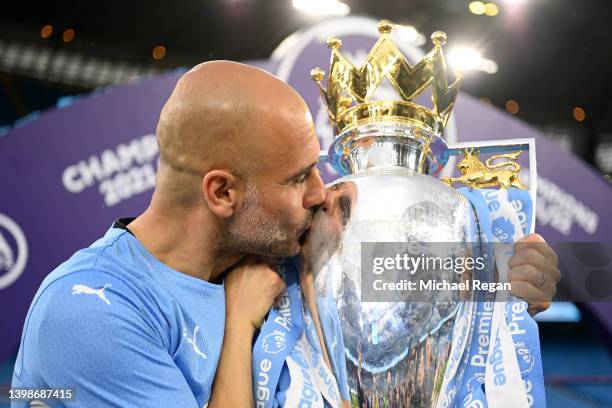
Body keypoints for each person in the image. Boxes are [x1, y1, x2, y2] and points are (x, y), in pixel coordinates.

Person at [11, 61, 560, 407]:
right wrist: (236, 324)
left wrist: (502, 284)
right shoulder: (91, 312)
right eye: (300, 176)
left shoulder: (270, 247)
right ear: (222, 193)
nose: (321, 191)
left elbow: (402, 284)